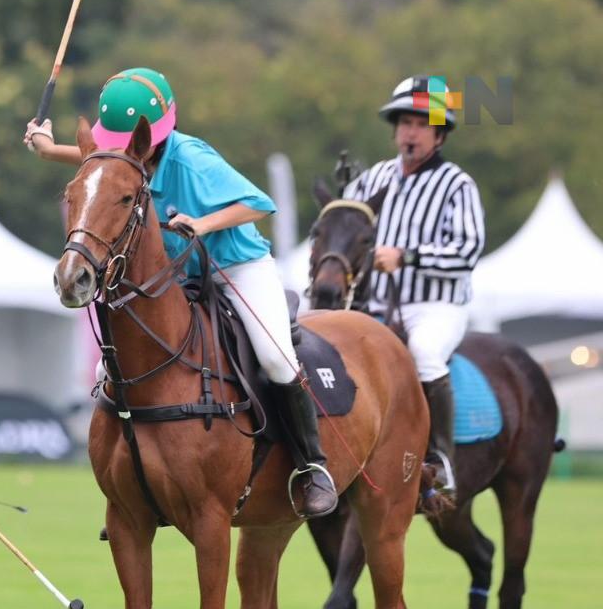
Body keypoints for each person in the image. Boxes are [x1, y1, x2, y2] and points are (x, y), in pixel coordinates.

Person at [24, 67, 336, 518]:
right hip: (176, 274)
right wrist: (50, 149)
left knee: (275, 357)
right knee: (108, 367)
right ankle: (130, 484)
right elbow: (100, 166)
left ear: (151, 135)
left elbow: (259, 203)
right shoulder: (129, 157)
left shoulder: (192, 159)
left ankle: (312, 467)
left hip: (236, 267)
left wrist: (203, 223)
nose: (121, 148)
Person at [341, 76, 485, 496]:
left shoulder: (457, 184)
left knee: (424, 353)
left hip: (435, 305)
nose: (411, 132)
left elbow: (467, 251)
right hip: (373, 304)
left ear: (440, 135)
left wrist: (407, 256)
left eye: (422, 124)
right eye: (405, 123)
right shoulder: (370, 180)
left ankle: (441, 461)